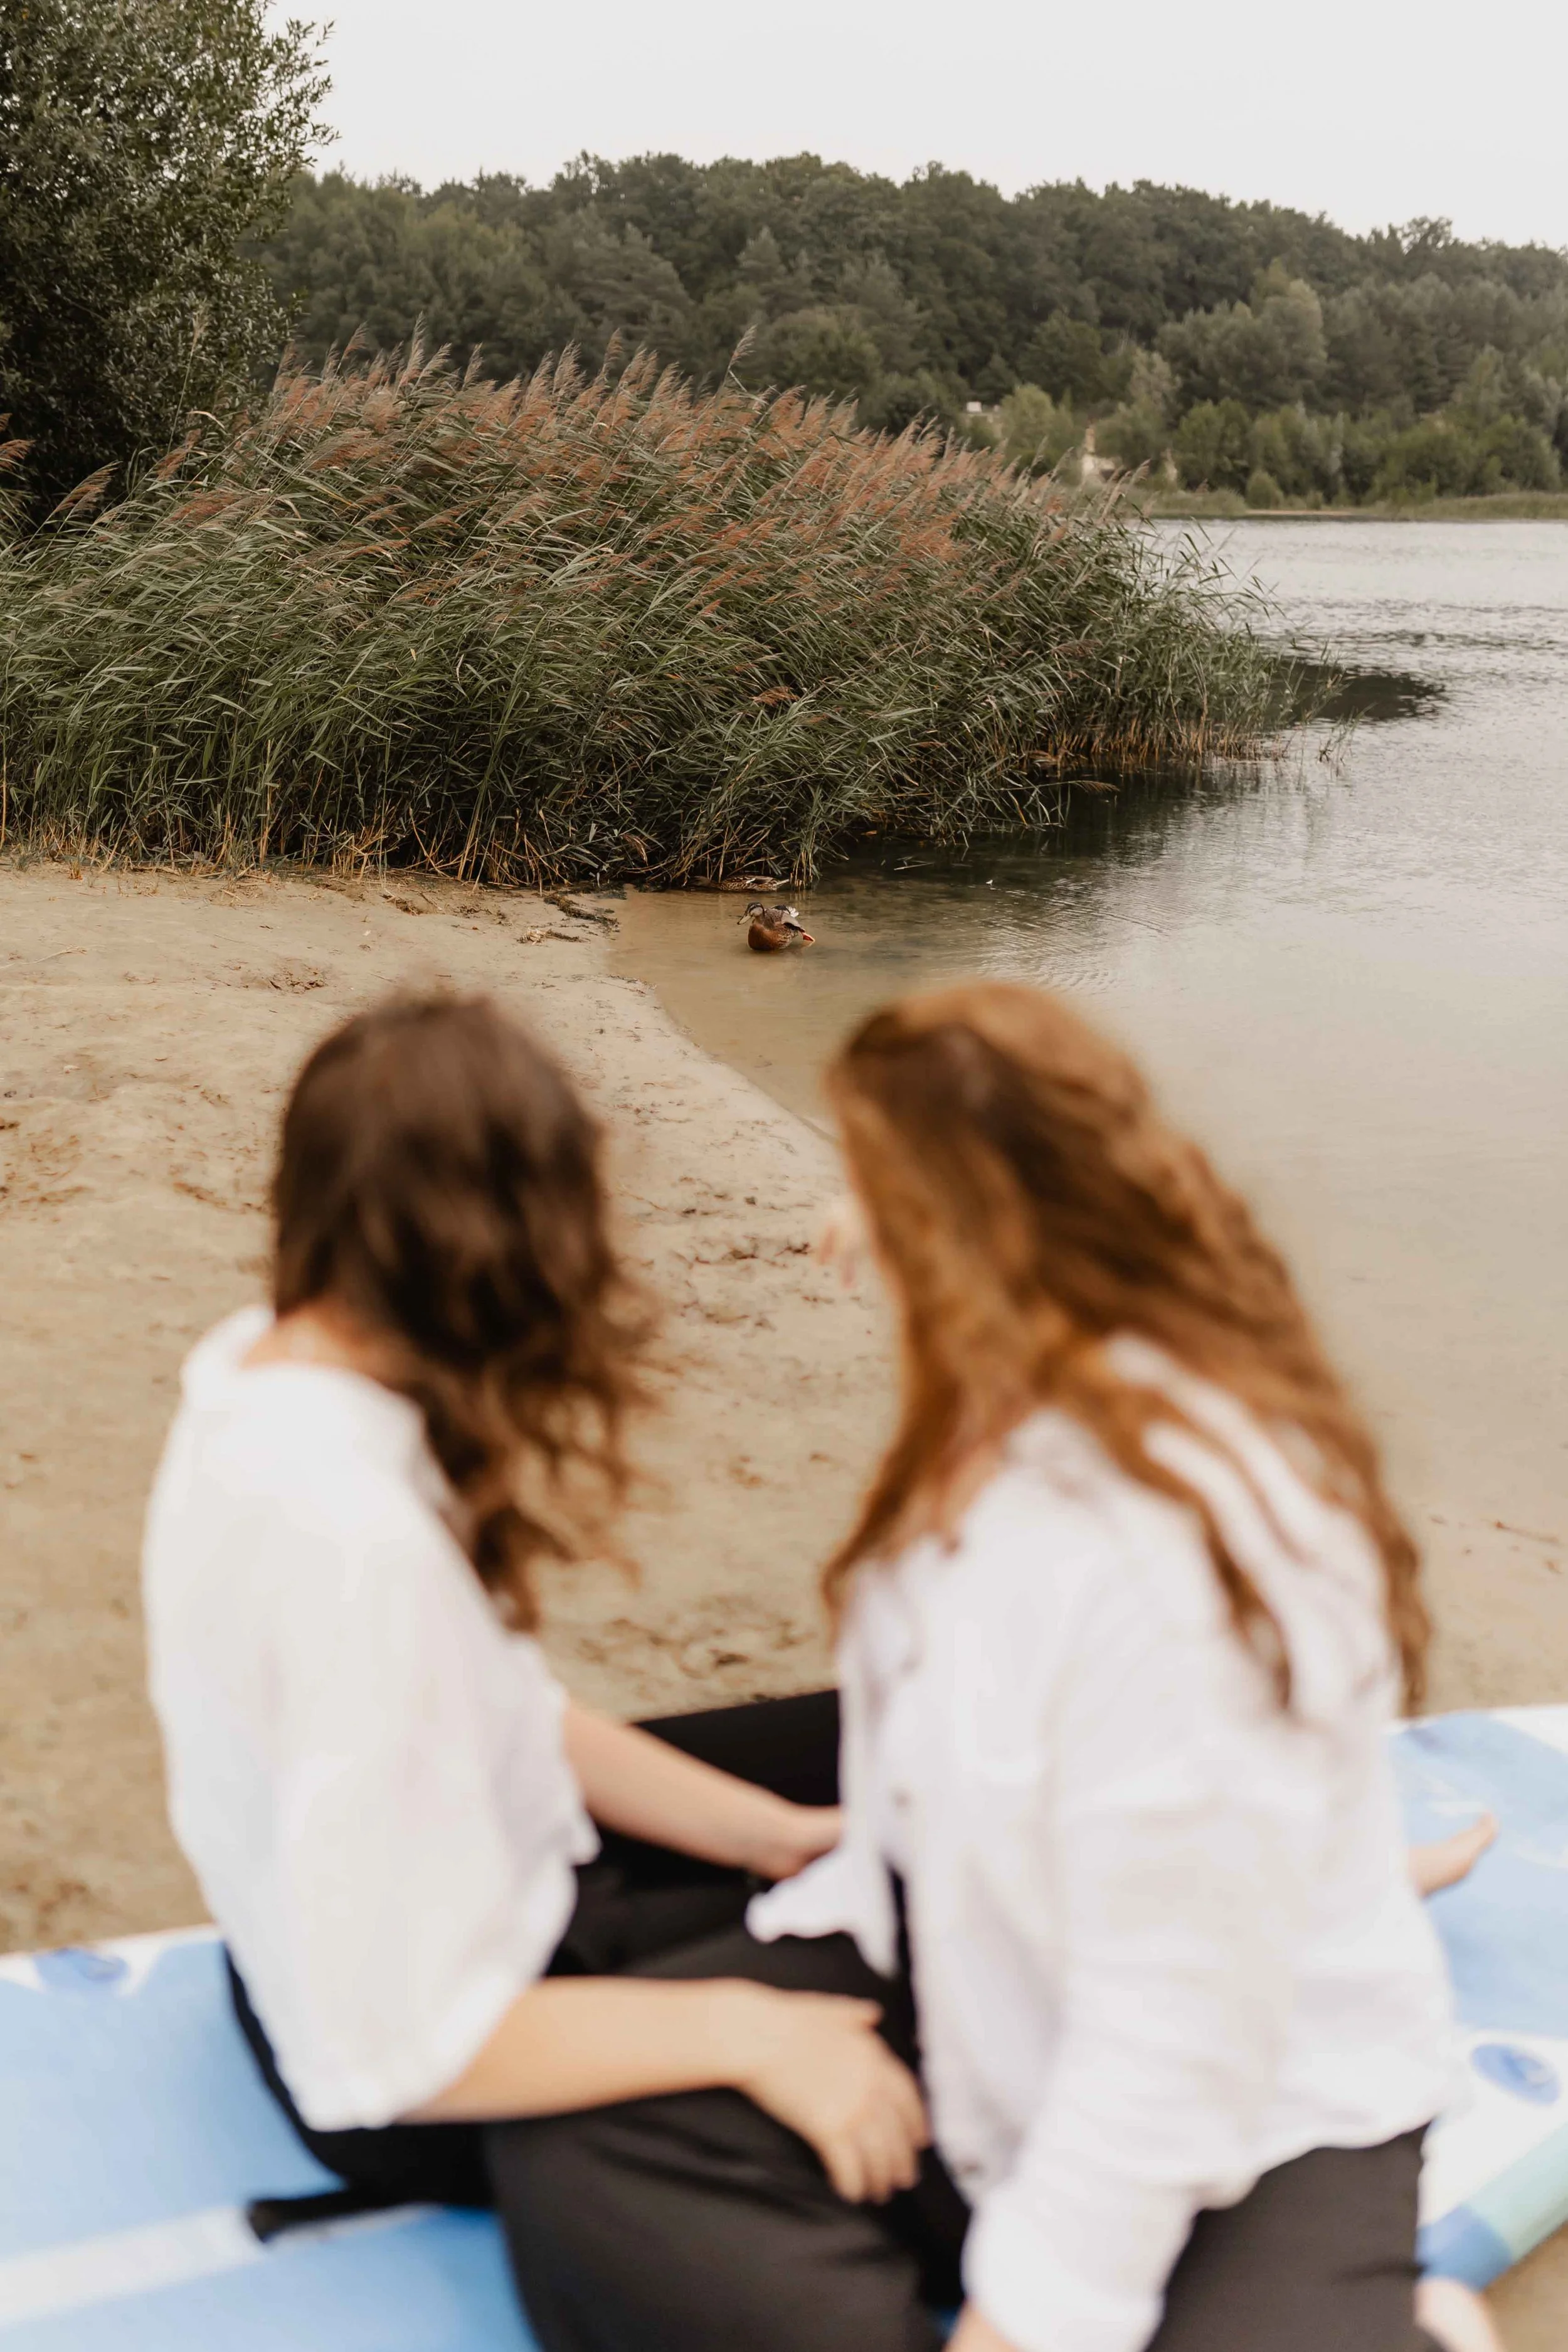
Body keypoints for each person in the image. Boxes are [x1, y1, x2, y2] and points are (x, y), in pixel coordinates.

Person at [499, 981, 1502, 2352]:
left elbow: (1169, 2038)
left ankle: (1413, 2329)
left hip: (1255, 2104)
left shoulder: (1185, 1554)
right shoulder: (1006, 1409)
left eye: (873, 1200)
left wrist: (1018, 2324)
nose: (844, 1232)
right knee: (577, 2151)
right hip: (991, 2007)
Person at [142, 995, 928, 2235]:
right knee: (951, 1946)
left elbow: (497, 1705)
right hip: (425, 2079)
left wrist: (768, 1836)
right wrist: (747, 2031)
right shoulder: (356, 1550)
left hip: (339, 1929)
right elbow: (396, 2052)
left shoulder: (257, 1368)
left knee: (875, 1748)